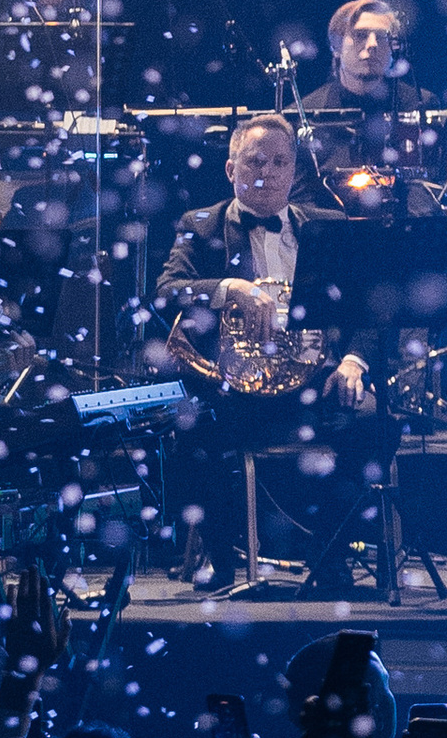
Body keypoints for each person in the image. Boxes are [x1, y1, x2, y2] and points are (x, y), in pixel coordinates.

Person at [153, 111, 387, 595]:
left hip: (311, 383)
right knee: (191, 424)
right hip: (233, 388)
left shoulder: (328, 224)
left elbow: (367, 308)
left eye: (281, 162)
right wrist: (228, 287)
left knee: (368, 419)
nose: (268, 171)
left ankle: (330, 557)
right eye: (255, 160)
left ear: (294, 170)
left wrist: (352, 362)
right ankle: (220, 560)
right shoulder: (200, 225)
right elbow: (168, 291)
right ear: (231, 168)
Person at [295, 0, 443, 206]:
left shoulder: (420, 104)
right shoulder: (305, 113)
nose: (372, 44)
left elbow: (425, 186)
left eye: (382, 37)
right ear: (335, 46)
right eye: (360, 35)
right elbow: (300, 200)